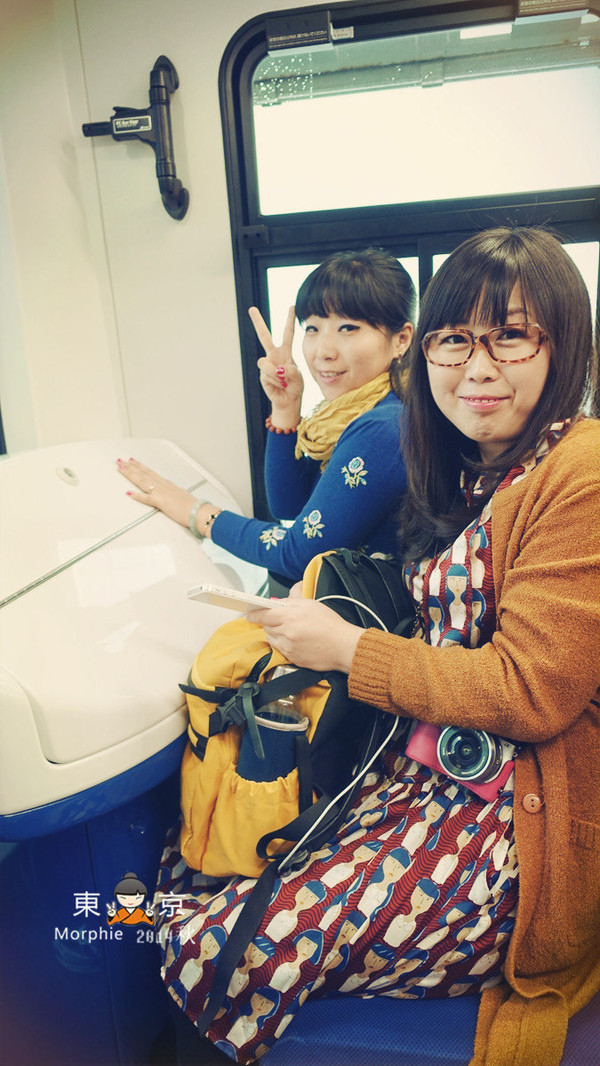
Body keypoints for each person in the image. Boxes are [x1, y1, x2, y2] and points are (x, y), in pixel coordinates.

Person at [153, 227, 599, 1066]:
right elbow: (303, 519)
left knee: (215, 947)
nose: (476, 367)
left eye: (510, 336)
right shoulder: (470, 459)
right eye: (454, 339)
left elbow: (531, 690)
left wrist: (349, 650)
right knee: (188, 882)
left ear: (564, 342)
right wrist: (285, 418)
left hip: (509, 831)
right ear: (423, 351)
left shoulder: (581, 470)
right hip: (426, 778)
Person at [117, 249, 415, 587]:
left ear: (401, 339)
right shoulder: (358, 413)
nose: (323, 351)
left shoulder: (383, 428)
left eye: (348, 328)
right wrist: (286, 406)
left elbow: (298, 555)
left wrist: (195, 511)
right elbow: (289, 505)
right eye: (312, 328)